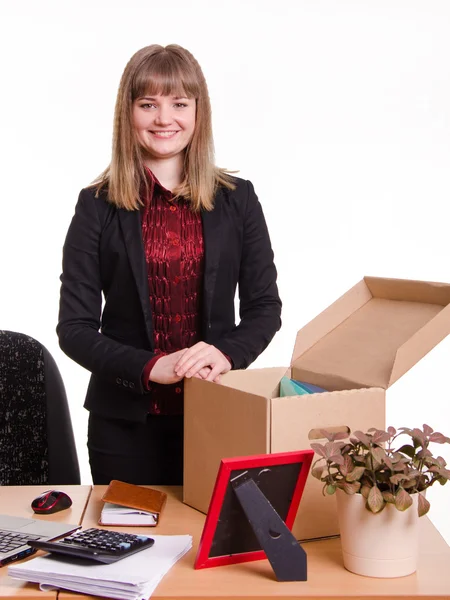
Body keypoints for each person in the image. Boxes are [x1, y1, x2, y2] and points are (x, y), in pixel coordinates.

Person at [57, 44, 282, 486]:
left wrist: (226, 352)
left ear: (199, 112)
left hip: (220, 415)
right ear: (129, 113)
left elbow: (264, 308)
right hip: (123, 428)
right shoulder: (96, 206)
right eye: (148, 104)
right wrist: (148, 368)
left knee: (212, 546)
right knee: (126, 549)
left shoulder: (238, 200)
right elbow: (75, 328)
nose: (164, 119)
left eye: (179, 103)